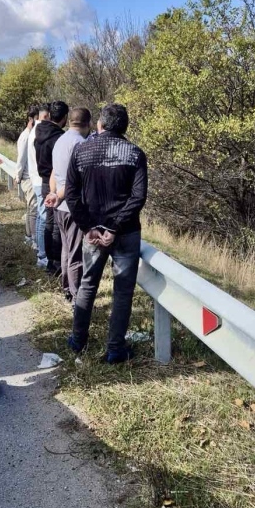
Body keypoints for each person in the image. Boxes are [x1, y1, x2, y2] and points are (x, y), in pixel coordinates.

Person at [65, 103, 148, 363]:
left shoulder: (81, 151)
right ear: (125, 127)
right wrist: (115, 226)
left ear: (100, 124)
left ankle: (78, 339)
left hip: (93, 231)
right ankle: (115, 349)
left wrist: (88, 227)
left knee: (88, 284)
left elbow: (71, 195)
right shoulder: (135, 153)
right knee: (122, 292)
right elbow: (138, 197)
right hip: (126, 232)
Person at [45, 107, 91, 301]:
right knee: (75, 254)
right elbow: (76, 181)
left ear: (70, 121)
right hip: (72, 205)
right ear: (88, 123)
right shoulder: (81, 144)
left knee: (66, 249)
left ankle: (66, 288)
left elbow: (54, 173)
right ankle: (75, 294)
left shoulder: (60, 141)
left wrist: (53, 193)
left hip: (60, 206)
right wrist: (59, 196)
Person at [35, 100, 68, 273]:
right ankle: (56, 263)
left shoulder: (39, 133)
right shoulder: (58, 138)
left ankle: (50, 261)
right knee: (56, 225)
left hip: (44, 181)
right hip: (55, 183)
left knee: (49, 222)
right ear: (65, 117)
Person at [27, 103, 50, 267]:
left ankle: (40, 251)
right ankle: (42, 256)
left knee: (41, 216)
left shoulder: (34, 131)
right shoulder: (39, 132)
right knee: (43, 217)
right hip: (40, 180)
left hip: (36, 179)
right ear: (45, 116)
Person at [15, 105, 39, 245]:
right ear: (30, 119)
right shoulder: (25, 136)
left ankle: (29, 236)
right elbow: (21, 159)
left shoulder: (31, 134)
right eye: (37, 118)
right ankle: (33, 239)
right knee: (33, 209)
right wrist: (18, 176)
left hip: (29, 176)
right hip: (27, 177)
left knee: (31, 208)